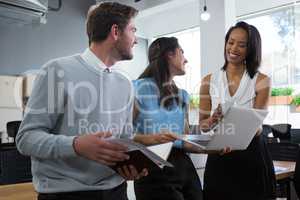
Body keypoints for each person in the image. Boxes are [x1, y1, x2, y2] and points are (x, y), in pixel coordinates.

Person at [16, 2, 148, 200]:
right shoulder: (56, 71)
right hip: (65, 195)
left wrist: (131, 166)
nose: (136, 39)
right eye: (133, 30)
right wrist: (76, 145)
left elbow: (124, 140)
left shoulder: (125, 83)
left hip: (116, 193)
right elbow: (26, 139)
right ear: (115, 31)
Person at [199, 21, 276, 200]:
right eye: (230, 42)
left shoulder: (261, 80)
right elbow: (203, 126)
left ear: (251, 49)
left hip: (252, 156)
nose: (233, 48)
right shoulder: (208, 81)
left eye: (242, 45)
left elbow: (257, 127)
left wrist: (233, 119)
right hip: (220, 155)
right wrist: (212, 121)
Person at [132, 37, 203, 200]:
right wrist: (152, 138)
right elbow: (122, 135)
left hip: (184, 168)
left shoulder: (183, 95)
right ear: (169, 55)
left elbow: (185, 140)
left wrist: (213, 145)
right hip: (152, 168)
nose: (186, 59)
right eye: (182, 52)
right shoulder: (136, 88)